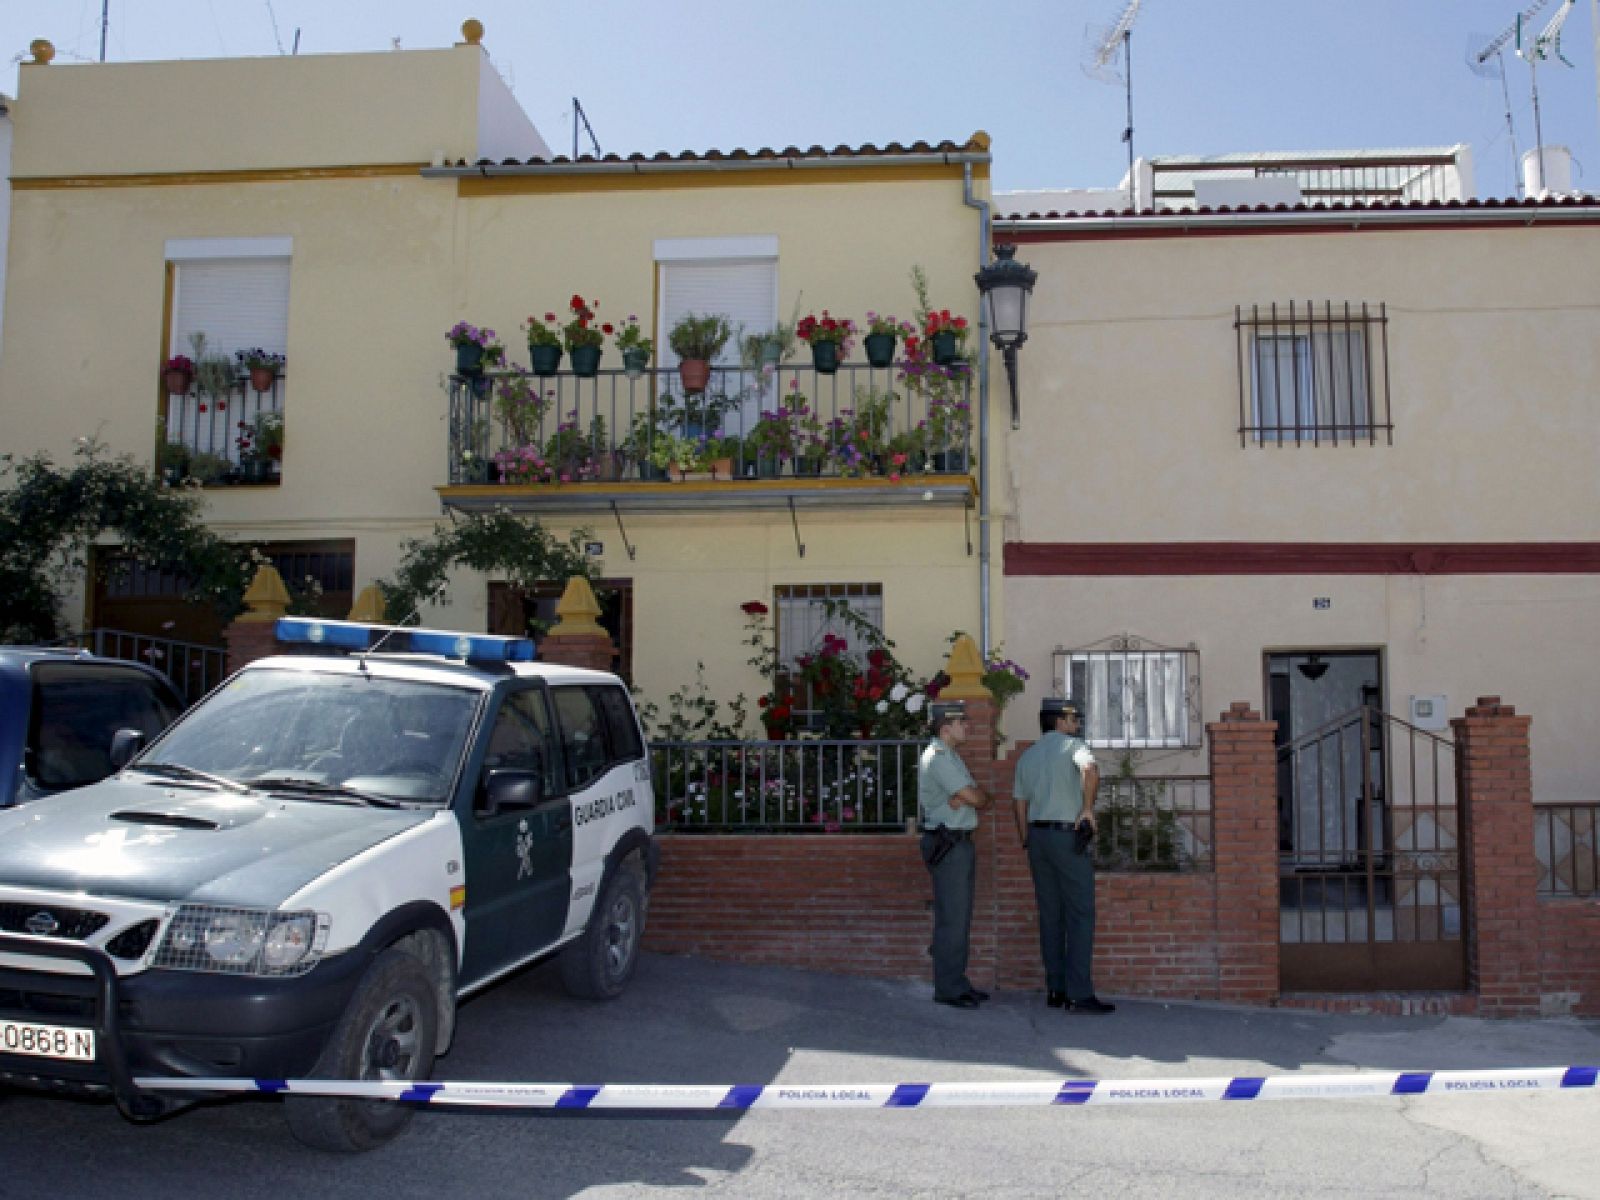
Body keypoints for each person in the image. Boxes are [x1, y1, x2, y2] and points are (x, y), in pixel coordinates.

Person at [1012, 697, 1116, 1015]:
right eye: (1073, 720)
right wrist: (1086, 809)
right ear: (1059, 722)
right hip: (1066, 837)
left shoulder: (1028, 756)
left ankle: (1055, 989)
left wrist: (1026, 839)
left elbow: (1019, 802)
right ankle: (1079, 993)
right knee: (1081, 913)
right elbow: (1091, 770)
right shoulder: (1073, 747)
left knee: (1050, 915)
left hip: (1038, 837)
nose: (1077, 725)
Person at [918, 701, 992, 1009]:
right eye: (961, 722)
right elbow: (976, 797)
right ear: (945, 728)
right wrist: (973, 797)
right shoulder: (939, 759)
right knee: (952, 919)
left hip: (955, 843)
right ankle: (948, 988)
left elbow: (973, 797)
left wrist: (971, 797)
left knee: (958, 918)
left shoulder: (950, 756)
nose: (967, 726)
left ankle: (957, 982)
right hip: (949, 844)